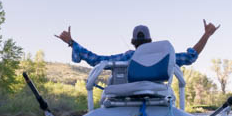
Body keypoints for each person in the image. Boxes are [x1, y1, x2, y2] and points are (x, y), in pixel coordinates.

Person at [55, 20, 220, 68]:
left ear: (133, 42)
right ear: (150, 40)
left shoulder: (127, 56)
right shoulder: (163, 56)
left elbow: (95, 60)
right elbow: (190, 57)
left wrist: (71, 42)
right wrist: (206, 35)